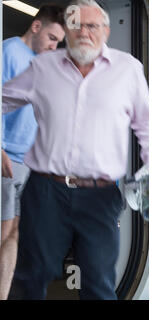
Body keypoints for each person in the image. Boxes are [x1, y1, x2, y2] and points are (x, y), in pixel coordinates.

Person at [2, 0, 149, 299]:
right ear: (67, 31)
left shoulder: (128, 70)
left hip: (100, 196)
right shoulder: (43, 68)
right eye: (75, 25)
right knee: (30, 277)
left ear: (105, 31)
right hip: (45, 191)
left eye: (91, 26)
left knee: (99, 282)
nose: (83, 32)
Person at [0, 4, 65, 300]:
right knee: (2, 233)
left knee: (14, 235)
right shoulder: (9, 51)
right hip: (6, 159)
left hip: (27, 162)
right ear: (36, 27)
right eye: (52, 38)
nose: (54, 47)